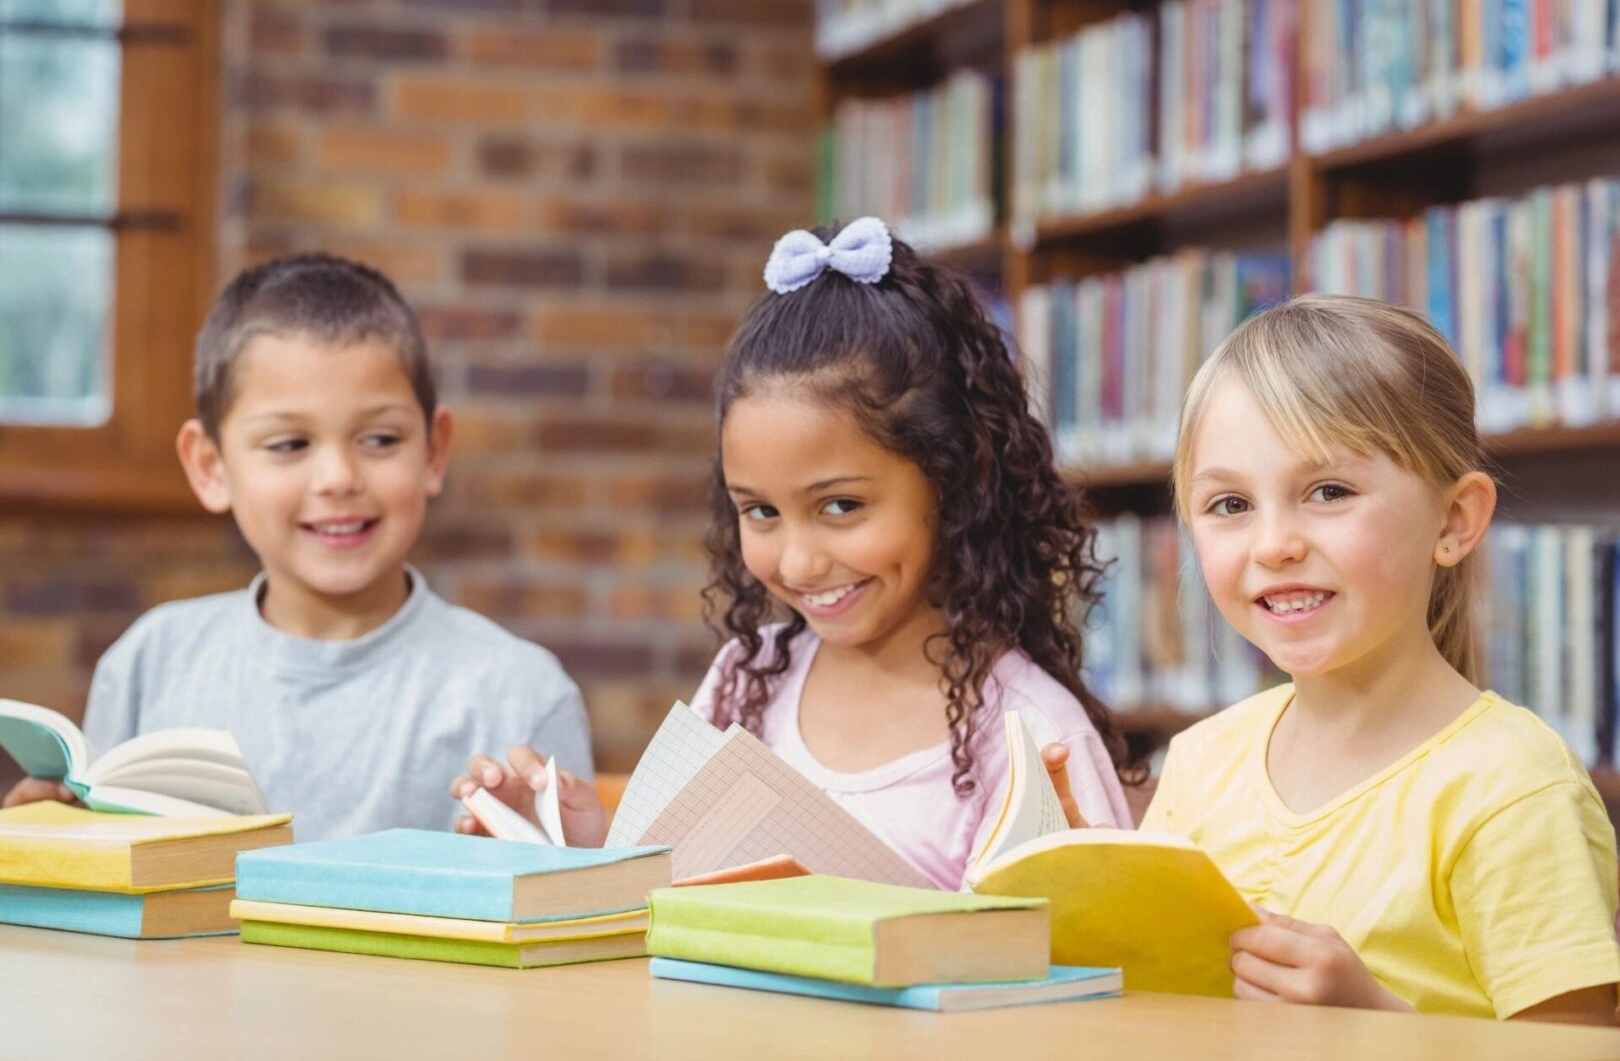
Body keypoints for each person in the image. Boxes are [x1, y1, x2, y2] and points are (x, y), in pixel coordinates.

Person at [452, 218, 1131, 888]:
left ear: (956, 481)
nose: (800, 563)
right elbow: (676, 900)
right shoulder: (745, 682)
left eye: (841, 506)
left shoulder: (1033, 736)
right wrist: (587, 848)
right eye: (761, 512)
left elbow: (1086, 969)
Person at [1057, 294, 1620, 1023]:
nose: (1274, 544)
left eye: (1328, 492)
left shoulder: (1512, 789)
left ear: (1453, 521)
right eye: (1230, 505)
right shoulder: (1198, 765)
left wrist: (1374, 1019)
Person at [3, 253, 593, 841]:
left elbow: (582, 911)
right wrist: (56, 843)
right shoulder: (149, 665)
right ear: (210, 467)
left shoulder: (520, 691)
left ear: (434, 452)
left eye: (381, 439)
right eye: (289, 444)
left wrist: (551, 864)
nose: (337, 477)